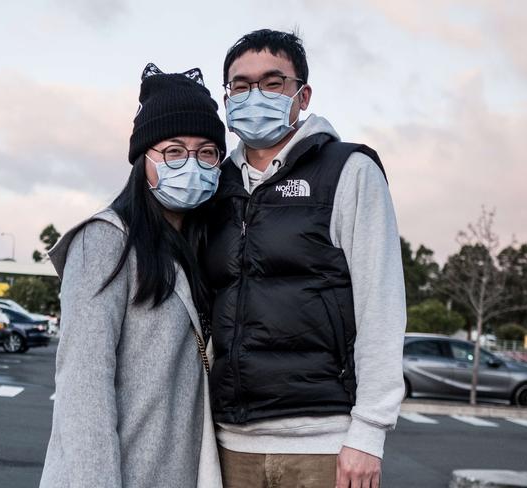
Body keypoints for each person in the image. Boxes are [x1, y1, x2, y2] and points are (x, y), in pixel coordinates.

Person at [201, 29, 406, 488]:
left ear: (302, 94)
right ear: (228, 97)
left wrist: (369, 434)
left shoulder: (348, 171)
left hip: (324, 445)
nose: (254, 95)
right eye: (240, 85)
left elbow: (382, 306)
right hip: (230, 442)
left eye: (272, 83)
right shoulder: (215, 186)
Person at [39, 63, 225, 488]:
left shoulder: (199, 249)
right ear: (144, 159)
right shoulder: (104, 242)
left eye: (207, 152)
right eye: (174, 151)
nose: (191, 164)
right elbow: (84, 394)